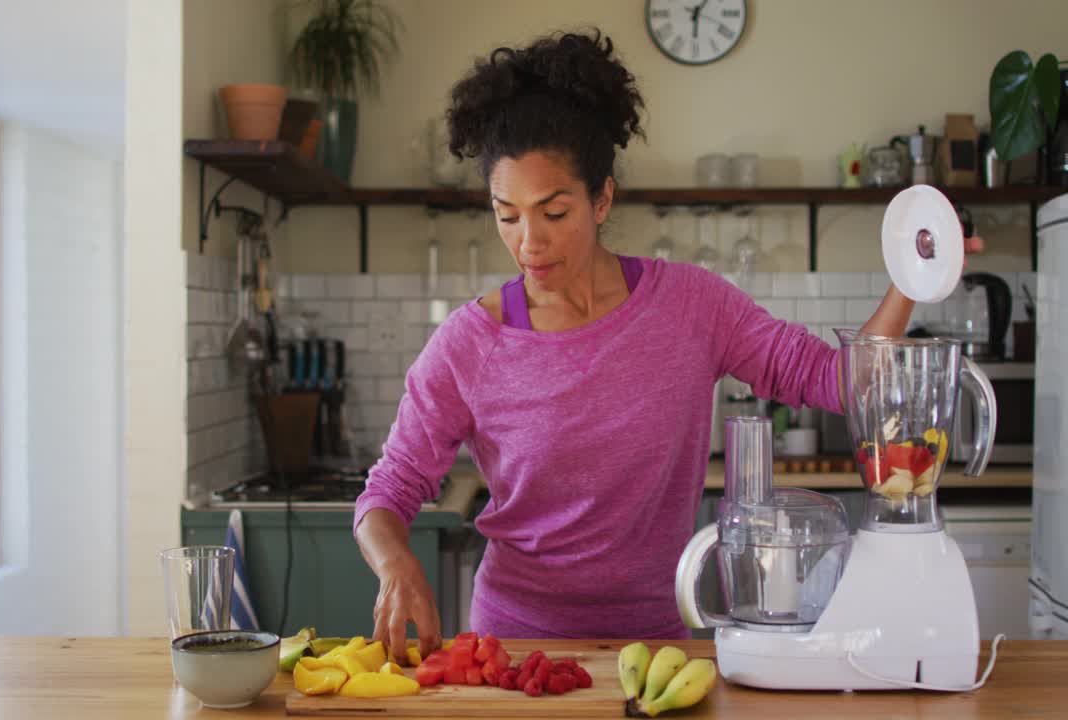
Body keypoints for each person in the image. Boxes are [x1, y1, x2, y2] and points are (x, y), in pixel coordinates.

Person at [353, 30, 915, 663]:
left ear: (602, 199)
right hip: (512, 653)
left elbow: (839, 380)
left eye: (554, 212)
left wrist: (912, 279)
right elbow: (389, 490)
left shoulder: (693, 306)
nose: (529, 242)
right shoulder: (471, 343)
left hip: (653, 649)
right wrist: (395, 563)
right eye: (506, 214)